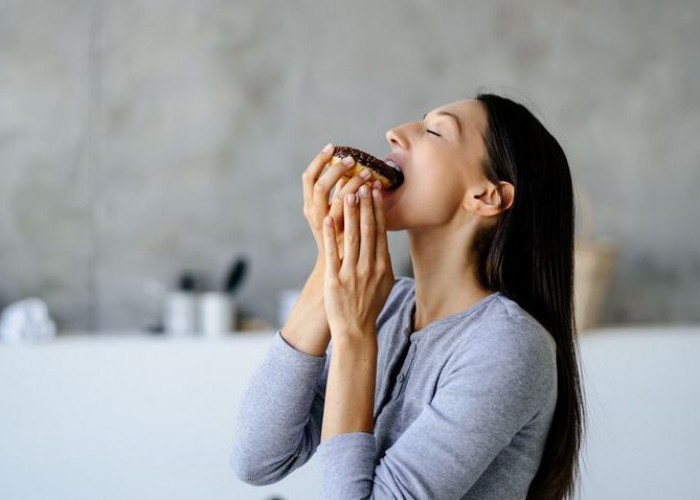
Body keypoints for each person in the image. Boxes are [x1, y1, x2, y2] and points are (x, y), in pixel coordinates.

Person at [231, 93, 585, 500]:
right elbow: (256, 459)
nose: (394, 134)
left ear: (486, 197)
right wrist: (331, 260)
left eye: (435, 131)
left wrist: (354, 337)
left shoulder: (510, 345)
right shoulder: (385, 304)